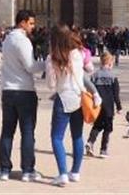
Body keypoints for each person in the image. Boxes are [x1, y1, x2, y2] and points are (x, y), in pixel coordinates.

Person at [46, 25, 97, 187]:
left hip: (63, 98)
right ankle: (75, 172)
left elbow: (51, 84)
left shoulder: (52, 57)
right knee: (77, 135)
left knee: (57, 137)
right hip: (79, 97)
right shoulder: (78, 54)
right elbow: (90, 69)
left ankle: (62, 174)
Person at [0, 10, 43, 182]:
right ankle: (27, 170)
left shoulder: (7, 39)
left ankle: (4, 170)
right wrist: (48, 64)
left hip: (7, 91)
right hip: (24, 91)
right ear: (22, 22)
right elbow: (30, 67)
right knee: (27, 132)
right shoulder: (22, 41)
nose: (33, 26)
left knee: (7, 132)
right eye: (31, 23)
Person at [86, 52, 122, 158]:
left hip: (97, 106)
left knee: (97, 125)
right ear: (110, 63)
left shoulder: (94, 75)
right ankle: (103, 149)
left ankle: (90, 142)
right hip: (109, 106)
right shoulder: (113, 77)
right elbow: (116, 94)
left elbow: (89, 90)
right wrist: (119, 107)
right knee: (107, 128)